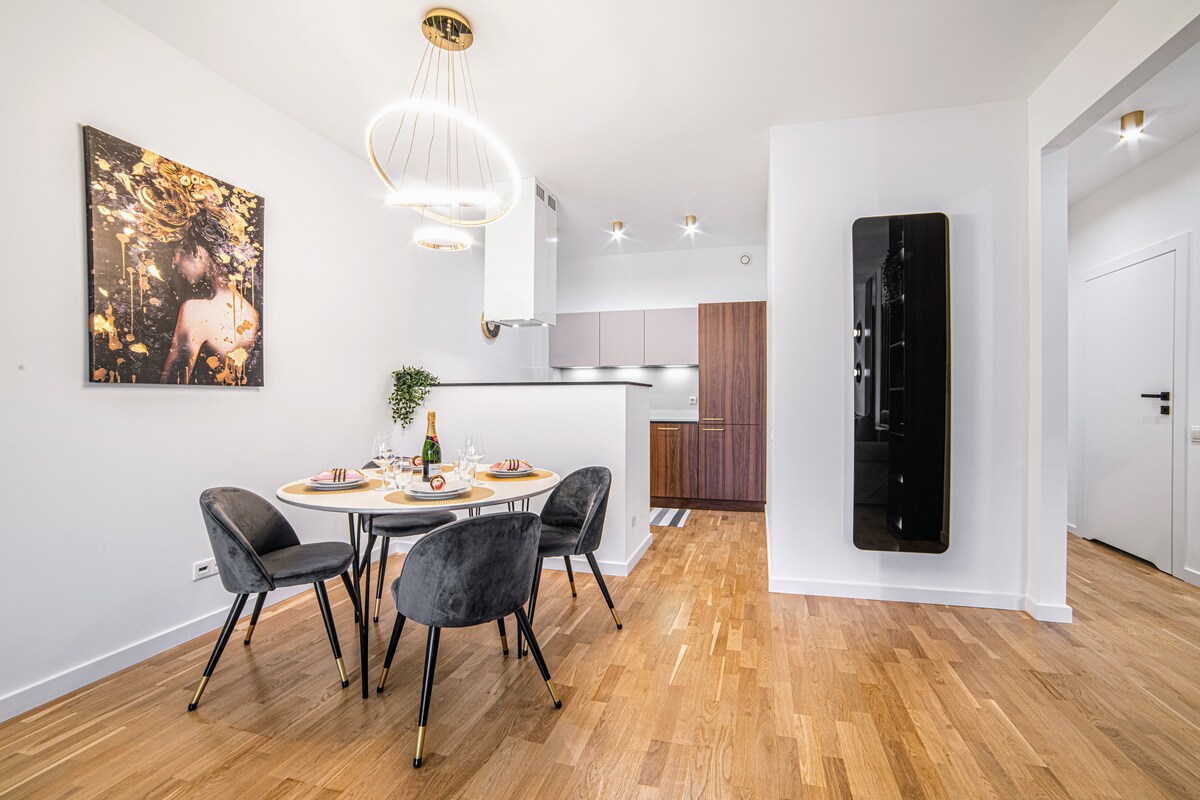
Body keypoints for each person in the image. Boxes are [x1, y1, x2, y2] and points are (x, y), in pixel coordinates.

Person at [160, 211, 260, 385]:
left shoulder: (195, 312)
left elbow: (171, 386)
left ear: (198, 252)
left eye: (177, 251)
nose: (174, 262)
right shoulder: (251, 313)